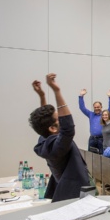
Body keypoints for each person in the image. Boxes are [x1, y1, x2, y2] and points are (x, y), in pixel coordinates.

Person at [30, 74, 90, 202]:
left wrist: (42, 96)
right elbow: (68, 129)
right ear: (52, 128)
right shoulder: (58, 147)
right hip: (74, 194)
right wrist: (56, 91)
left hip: (67, 189)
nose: (62, 119)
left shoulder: (44, 140)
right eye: (59, 119)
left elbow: (44, 121)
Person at [79, 88, 110, 154]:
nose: (96, 108)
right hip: (92, 139)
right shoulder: (91, 114)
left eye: (98, 107)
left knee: (102, 156)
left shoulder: (105, 115)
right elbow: (82, 108)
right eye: (95, 107)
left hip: (102, 139)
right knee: (91, 157)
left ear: (101, 107)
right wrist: (81, 96)